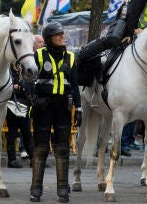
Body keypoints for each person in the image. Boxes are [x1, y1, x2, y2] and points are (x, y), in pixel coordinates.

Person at [30, 22, 82, 203]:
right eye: (58, 34)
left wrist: (79, 108)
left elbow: (75, 86)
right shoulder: (38, 55)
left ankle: (62, 191)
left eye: (62, 33)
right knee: (41, 149)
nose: (62, 36)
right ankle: (36, 190)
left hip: (63, 107)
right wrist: (32, 99)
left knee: (62, 150)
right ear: (49, 39)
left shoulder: (71, 57)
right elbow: (29, 80)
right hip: (42, 108)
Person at [6, 64, 34, 168]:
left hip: (24, 108)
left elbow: (29, 88)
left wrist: (20, 88)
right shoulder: (9, 73)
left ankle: (33, 158)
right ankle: (12, 160)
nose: (18, 66)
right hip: (12, 107)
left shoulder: (25, 73)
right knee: (12, 135)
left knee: (27, 135)